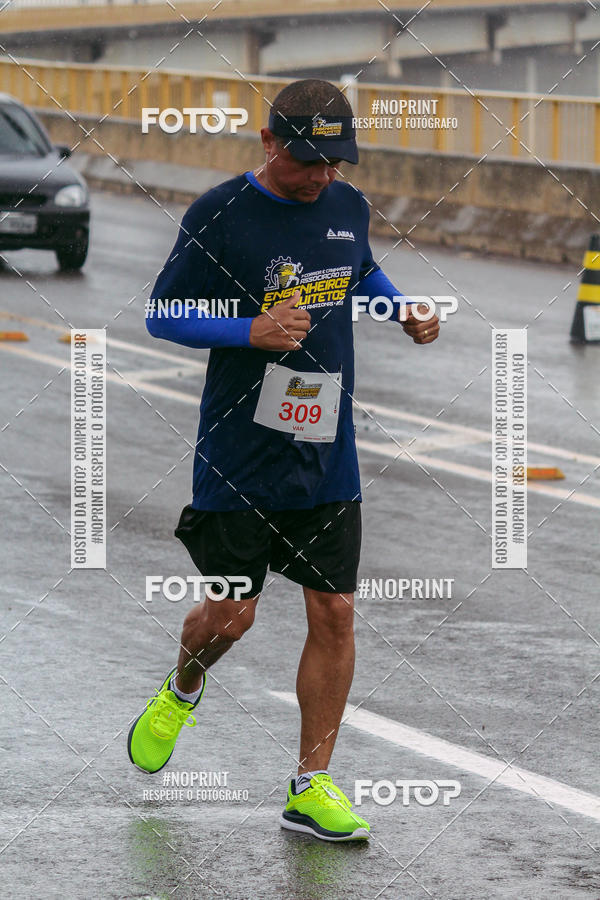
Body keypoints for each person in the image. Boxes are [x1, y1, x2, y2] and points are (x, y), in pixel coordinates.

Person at [128, 78, 439, 842]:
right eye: (306, 160)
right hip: (240, 452)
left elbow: (358, 268)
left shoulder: (347, 204)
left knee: (334, 611)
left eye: (334, 162)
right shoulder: (220, 212)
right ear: (268, 142)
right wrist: (249, 331)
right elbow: (163, 312)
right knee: (232, 616)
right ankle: (182, 688)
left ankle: (311, 785)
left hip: (326, 449)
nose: (320, 176)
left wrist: (399, 306)